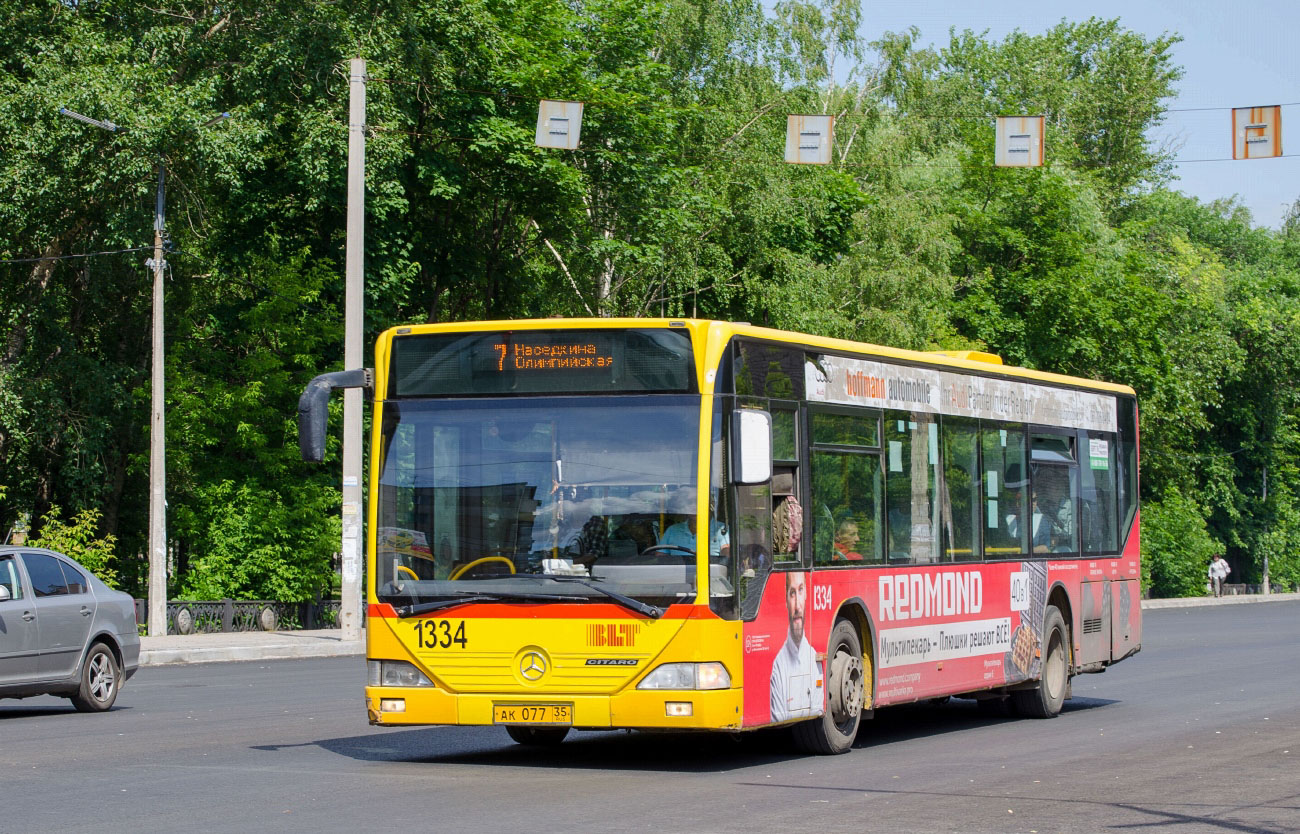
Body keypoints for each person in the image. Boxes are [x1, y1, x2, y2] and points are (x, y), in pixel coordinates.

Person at [769, 571, 824, 722]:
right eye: (792, 593)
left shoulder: (814, 657)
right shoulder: (778, 666)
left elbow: (819, 707)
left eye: (800, 590)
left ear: (807, 594)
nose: (797, 606)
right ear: (786, 600)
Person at [658, 490, 729, 558]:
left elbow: (726, 554)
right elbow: (660, 558)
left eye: (698, 502)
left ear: (710, 505)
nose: (693, 506)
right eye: (689, 503)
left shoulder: (722, 529)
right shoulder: (673, 530)